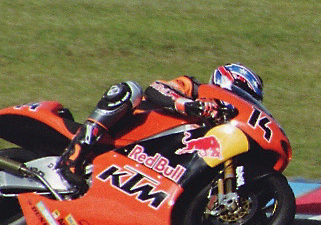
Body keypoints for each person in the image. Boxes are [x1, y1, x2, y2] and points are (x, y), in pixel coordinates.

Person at [39, 63, 265, 196]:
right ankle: (73, 157)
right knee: (129, 89)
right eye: (241, 95)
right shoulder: (194, 88)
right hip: (124, 131)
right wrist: (189, 105)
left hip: (148, 163)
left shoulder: (216, 132)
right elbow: (156, 88)